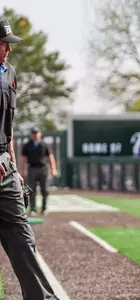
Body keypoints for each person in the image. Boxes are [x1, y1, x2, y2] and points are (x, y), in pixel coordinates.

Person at [0, 17, 58, 299]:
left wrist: (12, 163)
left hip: (5, 169)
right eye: (3, 44)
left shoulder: (9, 74)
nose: (8, 49)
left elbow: (8, 125)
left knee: (23, 238)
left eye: (9, 44)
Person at [20, 127, 58, 216]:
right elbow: (22, 159)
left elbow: (50, 157)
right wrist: (22, 170)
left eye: (36, 133)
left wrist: (53, 169)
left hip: (43, 169)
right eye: (33, 133)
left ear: (40, 133)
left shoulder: (44, 144)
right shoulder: (27, 145)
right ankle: (32, 208)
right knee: (31, 190)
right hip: (32, 168)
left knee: (45, 189)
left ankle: (44, 208)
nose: (35, 135)